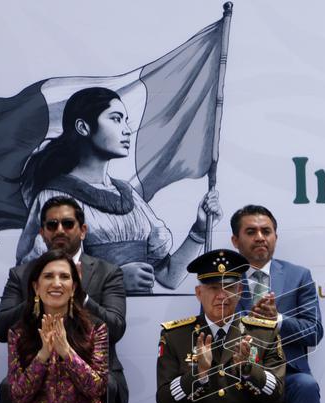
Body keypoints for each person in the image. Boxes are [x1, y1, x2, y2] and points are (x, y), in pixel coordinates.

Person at [12, 86, 221, 294]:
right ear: (83, 127)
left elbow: (169, 277)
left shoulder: (128, 195)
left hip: (142, 321)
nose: (127, 129)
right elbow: (40, 278)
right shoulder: (56, 198)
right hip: (87, 322)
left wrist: (200, 229)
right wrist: (114, 280)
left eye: (125, 120)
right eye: (115, 118)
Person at [0, 195, 127, 403]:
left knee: (107, 386)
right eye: (52, 225)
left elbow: (115, 328)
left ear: (83, 230)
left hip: (92, 364)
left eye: (68, 223)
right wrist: (41, 296)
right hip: (36, 364)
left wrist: (79, 295)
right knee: (8, 388)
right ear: (42, 232)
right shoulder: (22, 274)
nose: (60, 230)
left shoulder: (108, 272)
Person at [154, 249, 285, 403]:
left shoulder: (263, 333)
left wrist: (249, 370)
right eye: (214, 288)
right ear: (199, 293)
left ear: (240, 291)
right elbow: (165, 402)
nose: (222, 296)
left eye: (229, 287)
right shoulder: (175, 336)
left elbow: (277, 395)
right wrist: (199, 374)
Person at [232, 204, 323, 403]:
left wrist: (277, 320)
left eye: (266, 231)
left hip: (288, 374)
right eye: (251, 231)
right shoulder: (225, 278)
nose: (260, 237)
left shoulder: (298, 276)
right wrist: (251, 321)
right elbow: (212, 326)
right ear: (236, 240)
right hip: (239, 373)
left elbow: (314, 331)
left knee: (308, 386)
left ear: (275, 237)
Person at [7, 249, 109, 403]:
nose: (56, 283)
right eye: (48, 276)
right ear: (36, 287)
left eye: (64, 277)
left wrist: (67, 353)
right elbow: (18, 395)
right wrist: (42, 356)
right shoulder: (19, 332)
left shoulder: (94, 328)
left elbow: (97, 388)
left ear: (74, 287)